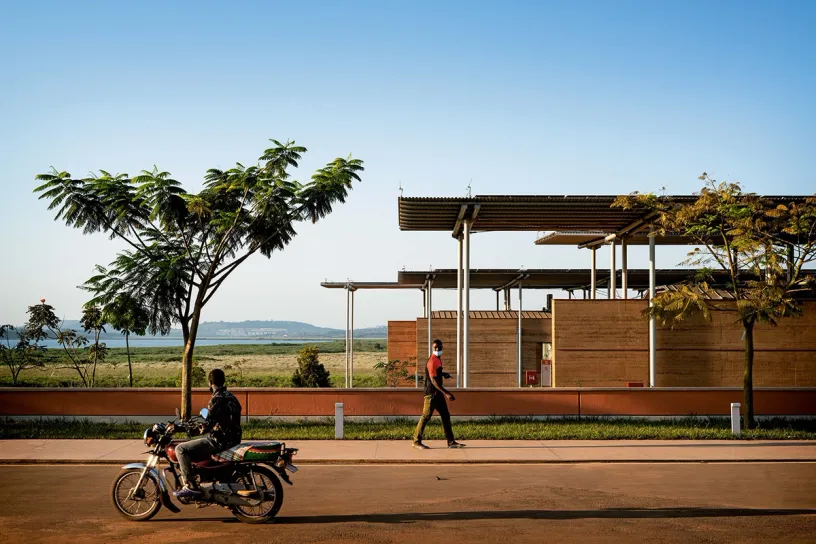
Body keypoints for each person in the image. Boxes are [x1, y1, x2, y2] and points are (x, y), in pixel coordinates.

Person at [173, 368, 243, 498]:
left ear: (210, 382)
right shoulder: (232, 397)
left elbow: (207, 427)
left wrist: (181, 429)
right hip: (234, 440)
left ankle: (189, 485)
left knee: (180, 449)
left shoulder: (216, 399)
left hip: (219, 442)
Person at [413, 339, 465, 450]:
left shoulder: (437, 359)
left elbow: (436, 373)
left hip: (438, 394)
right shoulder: (432, 361)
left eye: (439, 348)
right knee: (426, 417)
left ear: (442, 348)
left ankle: (451, 442)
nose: (437, 350)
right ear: (432, 348)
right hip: (431, 394)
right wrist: (446, 393)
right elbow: (433, 380)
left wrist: (443, 374)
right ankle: (416, 441)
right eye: (435, 348)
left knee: (446, 416)